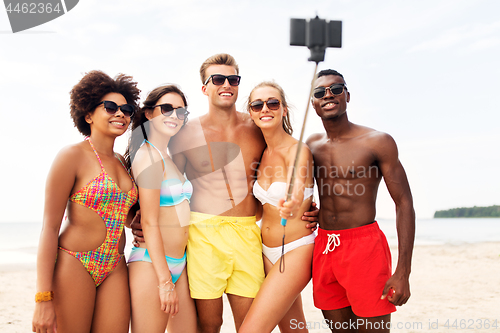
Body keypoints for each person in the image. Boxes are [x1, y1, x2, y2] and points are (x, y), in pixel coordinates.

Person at [131, 53, 318, 333]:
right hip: (203, 234)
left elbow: (286, 171)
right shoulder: (184, 133)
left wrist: (313, 208)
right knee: (210, 323)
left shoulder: (257, 128)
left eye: (233, 79)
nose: (226, 84)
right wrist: (138, 217)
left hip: (247, 233)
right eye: (217, 79)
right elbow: (168, 184)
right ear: (205, 88)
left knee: (249, 322)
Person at [306, 69, 415, 333]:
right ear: (313, 103)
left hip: (364, 247)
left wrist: (403, 272)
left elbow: (404, 204)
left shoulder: (377, 141)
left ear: (347, 95)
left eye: (336, 89)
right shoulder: (311, 145)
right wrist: (312, 212)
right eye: (320, 92)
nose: (328, 95)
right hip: (324, 246)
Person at [32, 70, 140, 333]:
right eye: (111, 107)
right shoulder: (71, 156)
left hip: (115, 265)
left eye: (126, 109)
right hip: (75, 261)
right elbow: (49, 228)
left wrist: (135, 223)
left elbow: (116, 209)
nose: (120, 114)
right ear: (88, 114)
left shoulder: (124, 163)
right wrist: (43, 298)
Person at [239, 82, 315, 333]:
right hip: (263, 251)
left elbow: (298, 184)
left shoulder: (297, 150)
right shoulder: (260, 153)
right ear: (250, 112)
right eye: (257, 105)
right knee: (294, 328)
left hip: (295, 250)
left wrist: (291, 204)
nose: (265, 109)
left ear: (284, 109)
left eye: (273, 103)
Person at [125, 85, 197, 333]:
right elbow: (149, 222)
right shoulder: (147, 155)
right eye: (166, 108)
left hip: (180, 263)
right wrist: (165, 281)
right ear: (148, 114)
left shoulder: (168, 157)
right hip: (152, 265)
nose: (174, 116)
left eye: (181, 112)